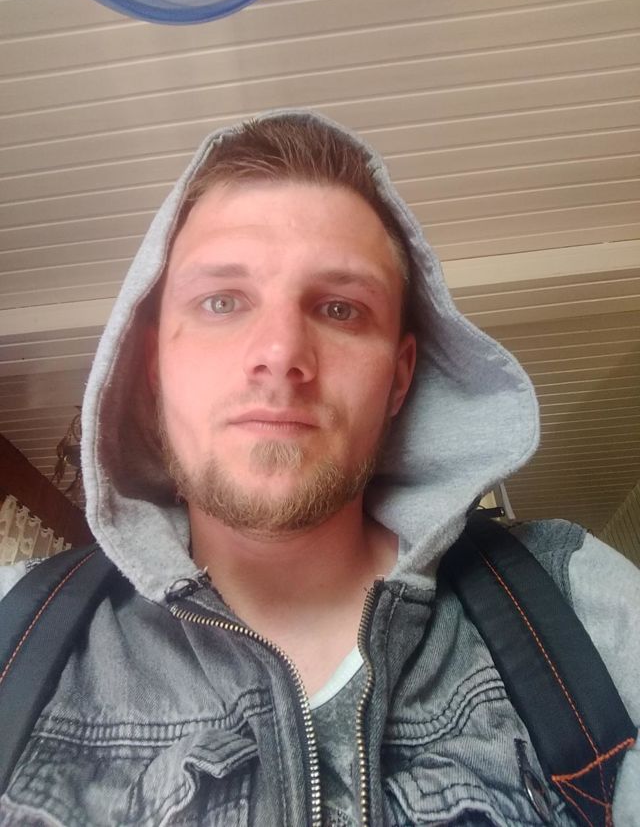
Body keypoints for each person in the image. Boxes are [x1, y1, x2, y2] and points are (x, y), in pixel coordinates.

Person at [0, 110, 638, 826]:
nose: (279, 352)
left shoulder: (577, 602)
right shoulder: (11, 625)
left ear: (399, 378)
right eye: (221, 301)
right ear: (152, 366)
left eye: (339, 308)